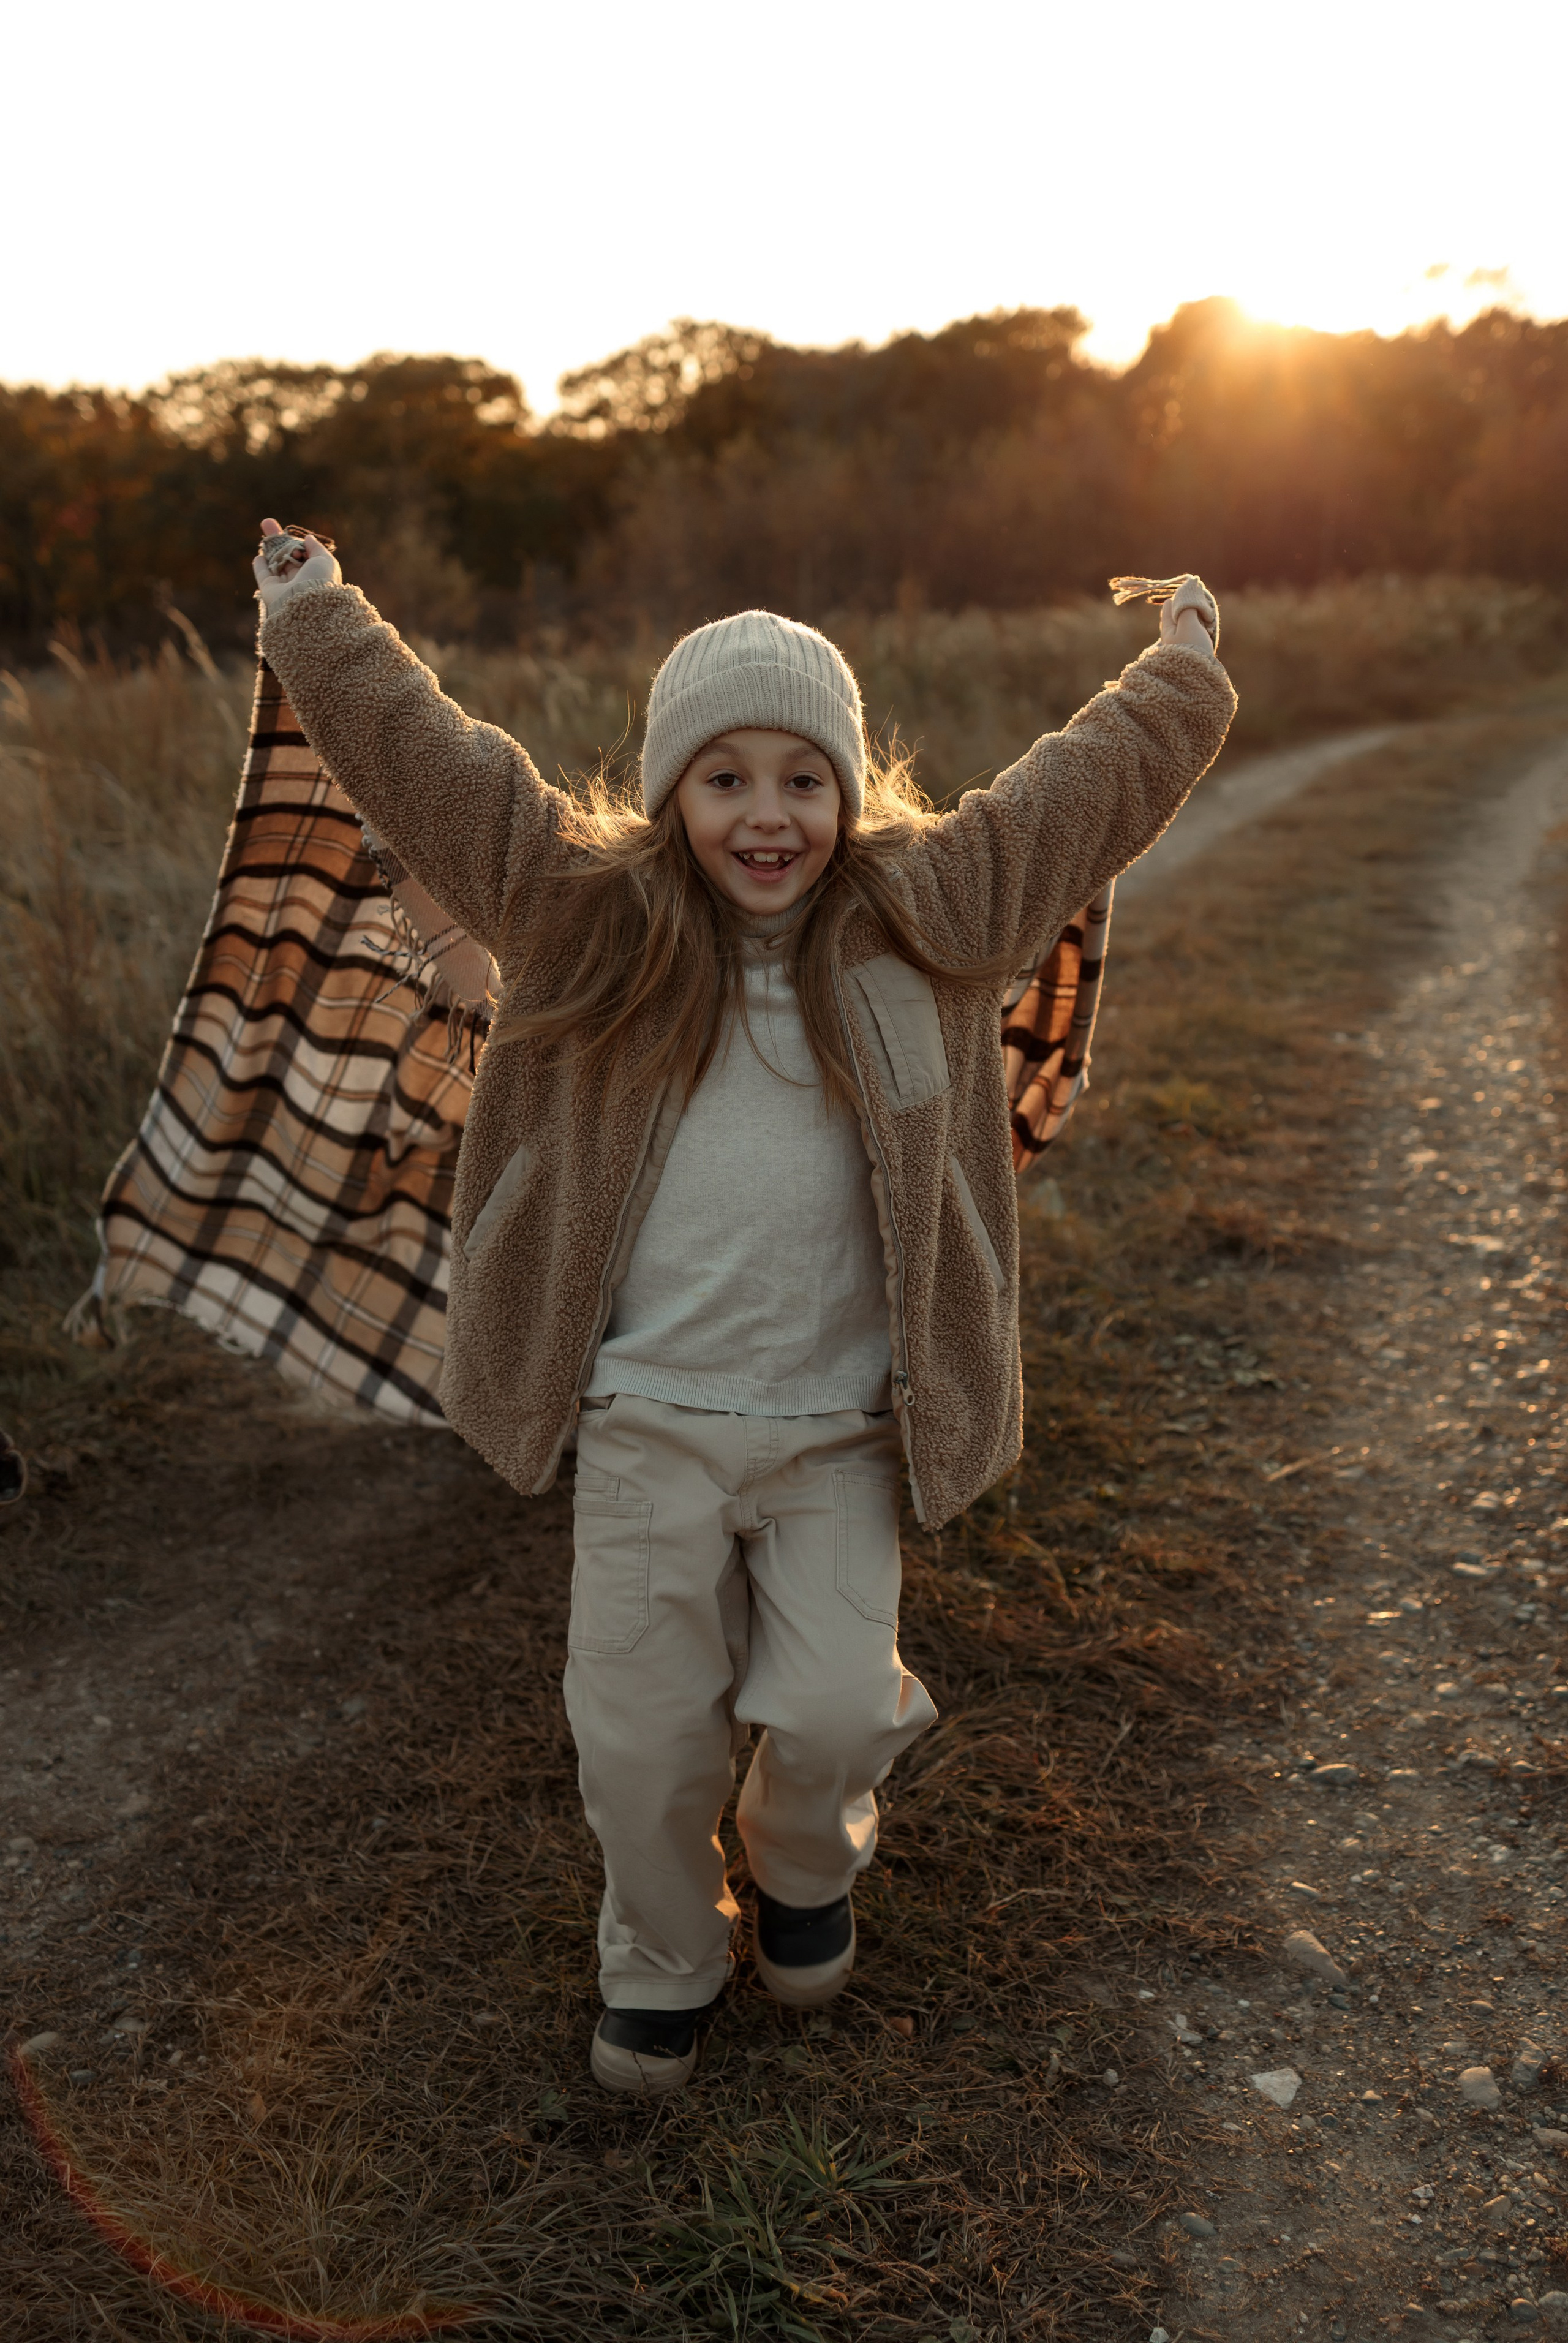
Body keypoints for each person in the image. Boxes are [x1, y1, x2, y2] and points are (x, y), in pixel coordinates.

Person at [250, 520, 1235, 2092]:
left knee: (838, 1711)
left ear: (848, 791)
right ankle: (658, 1950)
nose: (766, 816)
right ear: (668, 796)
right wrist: (317, 617)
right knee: (639, 1738)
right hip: (648, 1423)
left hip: (841, 1427)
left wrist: (1178, 674)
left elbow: (1080, 791)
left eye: (802, 778)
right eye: (725, 779)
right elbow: (439, 770)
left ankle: (796, 1856)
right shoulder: (588, 922)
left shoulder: (936, 912)